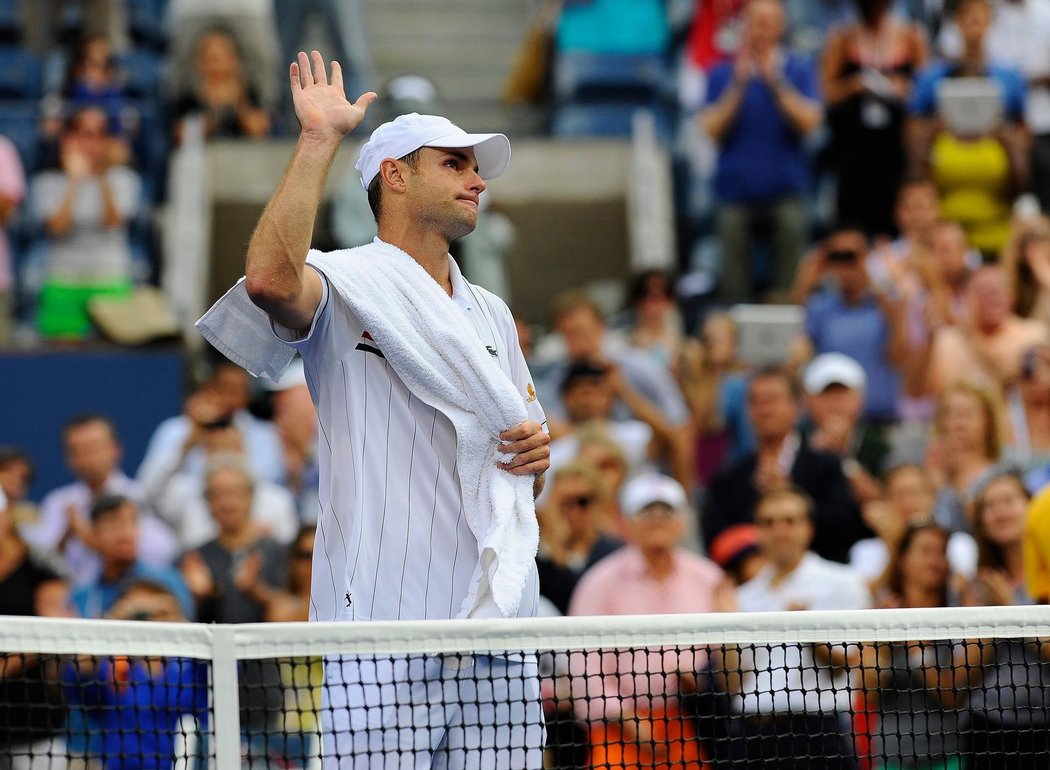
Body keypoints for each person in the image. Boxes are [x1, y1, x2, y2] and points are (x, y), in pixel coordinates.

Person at [196, 51, 551, 768]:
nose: (477, 179)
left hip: (496, 623)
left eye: (475, 166)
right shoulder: (341, 280)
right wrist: (319, 139)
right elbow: (267, 279)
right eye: (454, 163)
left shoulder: (491, 312)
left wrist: (538, 460)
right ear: (396, 174)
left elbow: (522, 469)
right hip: (382, 622)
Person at [568, 472, 728, 770]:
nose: (658, 520)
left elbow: (728, 664)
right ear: (625, 523)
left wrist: (701, 683)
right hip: (617, 728)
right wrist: (627, 718)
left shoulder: (709, 579)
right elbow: (583, 665)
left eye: (667, 511)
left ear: (683, 521)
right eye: (647, 511)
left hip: (693, 724)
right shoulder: (598, 582)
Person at [727, 486, 872, 770]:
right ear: (757, 531)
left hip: (819, 731)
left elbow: (844, 665)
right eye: (768, 522)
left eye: (790, 521)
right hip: (752, 735)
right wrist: (726, 625)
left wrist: (806, 630)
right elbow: (734, 682)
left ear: (808, 528)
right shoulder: (742, 597)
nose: (779, 530)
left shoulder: (843, 582)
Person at [700, 0, 822, 303]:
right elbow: (711, 129)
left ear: (781, 27)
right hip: (735, 192)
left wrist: (775, 82)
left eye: (769, 22)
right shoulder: (721, 73)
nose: (762, 30)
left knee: (792, 225)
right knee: (730, 230)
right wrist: (739, 85)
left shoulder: (798, 69)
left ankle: (786, 311)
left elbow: (810, 122)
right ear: (745, 26)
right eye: (757, 21)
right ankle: (736, 313)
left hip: (785, 189)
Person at [703, 366, 867, 564]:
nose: (765, 410)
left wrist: (789, 494)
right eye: (756, 402)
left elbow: (844, 526)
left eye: (773, 400)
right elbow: (718, 537)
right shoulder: (730, 477)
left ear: (797, 407)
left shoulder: (826, 466)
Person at [61, 579, 211, 770]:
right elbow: (79, 672)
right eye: (141, 615)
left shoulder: (193, 663)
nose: (150, 621)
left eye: (158, 613)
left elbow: (225, 672)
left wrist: (180, 621)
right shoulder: (114, 666)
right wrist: (114, 620)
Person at [860, 522, 967, 770]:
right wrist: (882, 643)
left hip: (948, 756)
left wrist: (916, 648)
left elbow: (951, 697)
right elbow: (869, 692)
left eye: (941, 552)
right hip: (891, 757)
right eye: (925, 550)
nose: (935, 560)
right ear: (902, 560)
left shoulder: (961, 617)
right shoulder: (877, 616)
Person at [25, 413, 177, 586]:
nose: (85, 458)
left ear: (116, 449)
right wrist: (65, 536)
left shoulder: (138, 496)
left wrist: (95, 540)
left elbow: (163, 551)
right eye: (76, 451)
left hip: (128, 593)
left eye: (92, 448)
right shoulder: (58, 502)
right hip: (71, 603)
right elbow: (36, 562)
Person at [30, 106, 142, 341]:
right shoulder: (48, 180)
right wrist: (74, 182)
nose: (91, 143)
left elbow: (114, 222)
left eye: (99, 134)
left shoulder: (123, 178)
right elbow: (56, 227)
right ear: (68, 139)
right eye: (84, 133)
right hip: (63, 280)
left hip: (110, 279)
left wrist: (101, 175)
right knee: (61, 363)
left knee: (114, 365)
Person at [820, 0, 928, 237]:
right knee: (852, 229)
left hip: (894, 150)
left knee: (893, 227)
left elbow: (926, 93)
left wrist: (904, 89)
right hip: (853, 151)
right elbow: (825, 93)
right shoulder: (843, 38)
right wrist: (853, 86)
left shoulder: (910, 37)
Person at [70, 494, 193, 621]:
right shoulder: (82, 597)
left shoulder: (168, 581)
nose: (125, 534)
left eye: (131, 522)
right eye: (113, 525)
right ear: (92, 537)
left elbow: (187, 634)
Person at [535, 462, 624, 615]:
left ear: (599, 503)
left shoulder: (617, 553)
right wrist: (554, 547)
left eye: (582, 501)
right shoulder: (535, 557)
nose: (573, 510)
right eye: (564, 502)